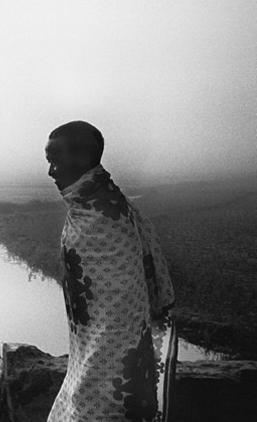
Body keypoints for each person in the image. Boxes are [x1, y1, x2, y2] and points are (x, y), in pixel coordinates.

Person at [45, 120, 177, 422]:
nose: (51, 171)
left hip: (111, 360)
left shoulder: (103, 216)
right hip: (94, 350)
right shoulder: (93, 203)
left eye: (55, 161)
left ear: (80, 160)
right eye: (48, 162)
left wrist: (98, 371)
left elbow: (118, 309)